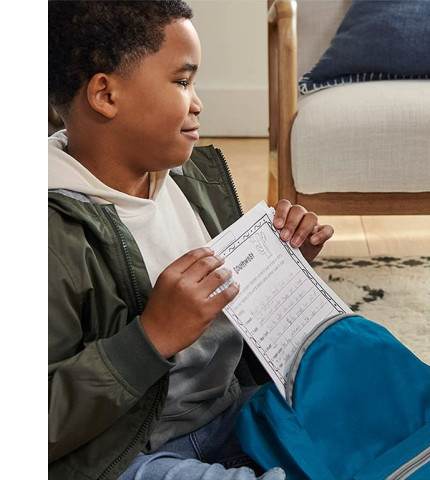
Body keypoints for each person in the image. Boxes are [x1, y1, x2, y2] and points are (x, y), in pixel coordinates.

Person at [48, 2, 331, 479]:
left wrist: (283, 269)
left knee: (376, 420)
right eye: (182, 82)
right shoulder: (46, 234)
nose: (198, 102)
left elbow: (238, 339)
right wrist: (151, 337)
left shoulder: (195, 181)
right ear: (106, 94)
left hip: (233, 413)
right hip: (124, 454)